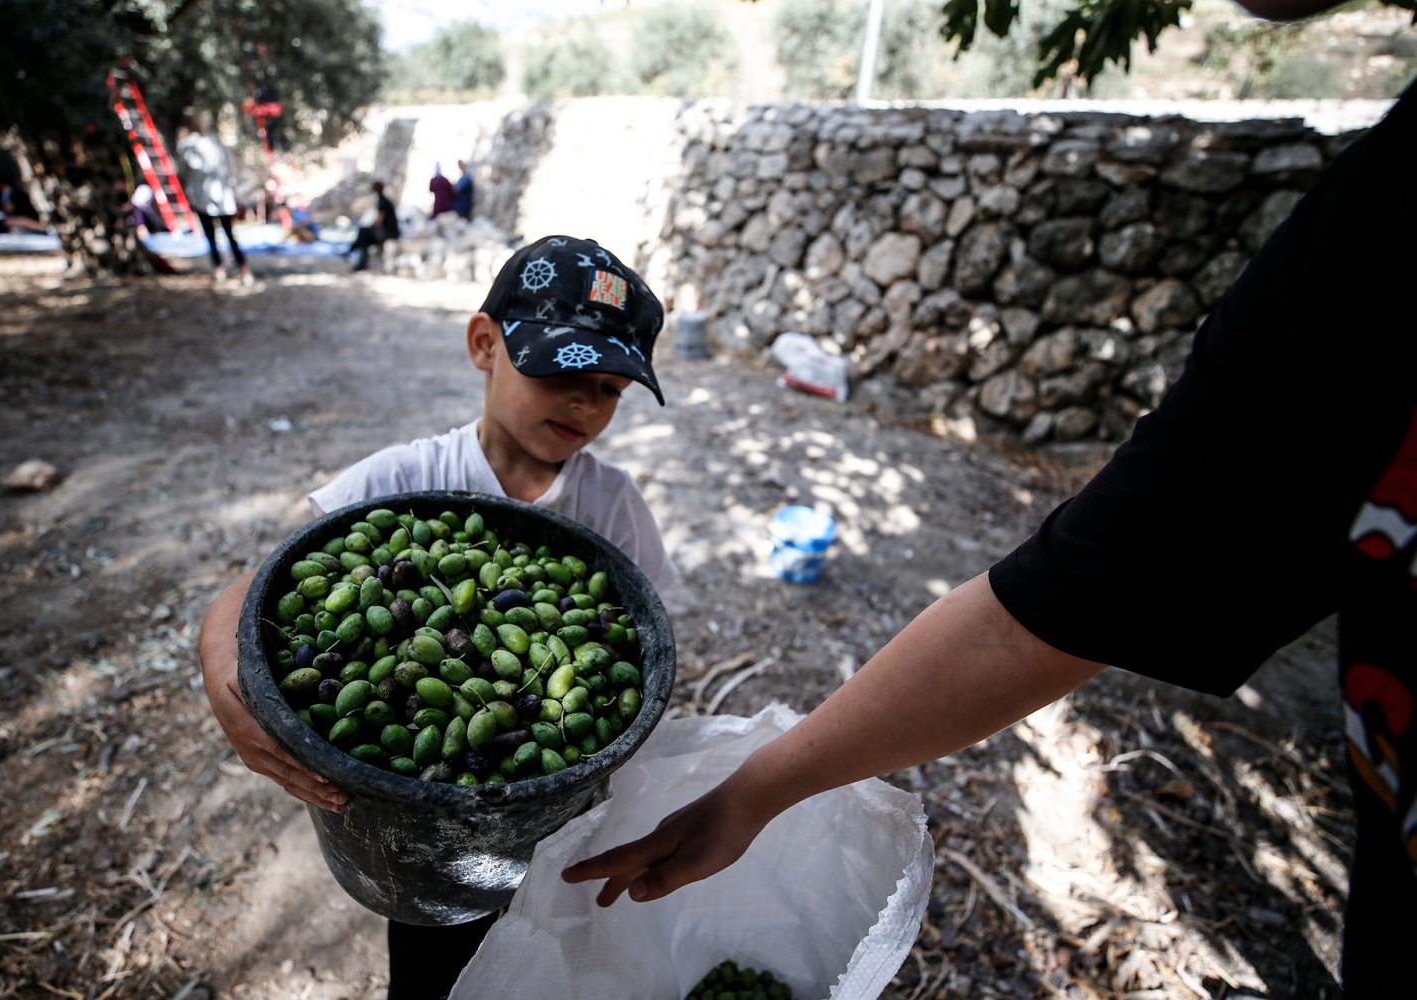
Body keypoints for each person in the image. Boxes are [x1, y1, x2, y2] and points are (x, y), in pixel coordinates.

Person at [561, 2, 1415, 996]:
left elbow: (1053, 608)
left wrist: (752, 793)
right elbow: (1051, 609)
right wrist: (752, 794)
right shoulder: (1376, 240)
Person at [196, 234, 676, 999]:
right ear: (485, 344)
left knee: (557, 954)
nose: (588, 403)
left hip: (562, 820)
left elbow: (650, 641)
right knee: (433, 971)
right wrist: (224, 672)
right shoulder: (402, 479)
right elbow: (248, 592)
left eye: (614, 389)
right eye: (565, 369)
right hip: (418, 850)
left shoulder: (612, 504)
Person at [176, 114, 253, 285]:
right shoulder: (213, 143)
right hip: (221, 197)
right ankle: (243, 268)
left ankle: (221, 269)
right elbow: (229, 169)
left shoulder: (187, 145)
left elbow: (182, 172)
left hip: (204, 197)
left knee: (211, 236)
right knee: (229, 235)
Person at [348, 179, 399, 272]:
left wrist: (371, 227)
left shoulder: (383, 202)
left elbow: (379, 219)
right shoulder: (383, 200)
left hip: (389, 233)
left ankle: (354, 250)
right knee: (364, 236)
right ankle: (357, 256)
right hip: (388, 231)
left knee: (363, 234)